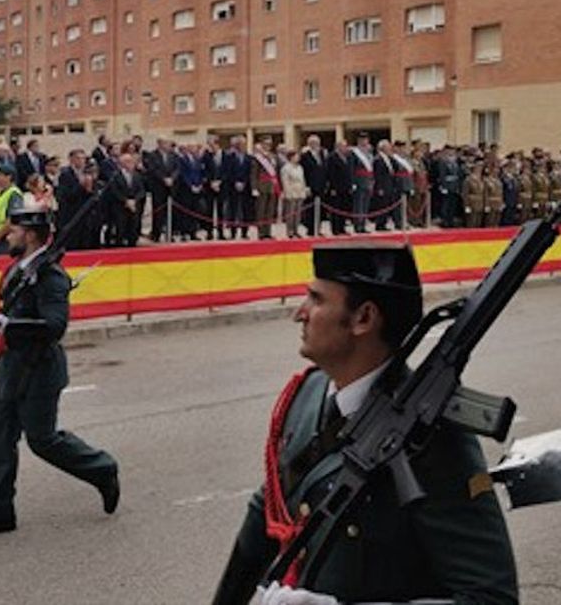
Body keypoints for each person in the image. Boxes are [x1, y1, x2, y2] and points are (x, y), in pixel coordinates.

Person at [212, 243, 517, 604]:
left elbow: (491, 597)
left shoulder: (433, 437)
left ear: (364, 319)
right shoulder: (307, 392)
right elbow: (268, 509)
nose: (300, 313)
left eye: (316, 299)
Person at [0, 207, 120, 538]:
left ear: (30, 235)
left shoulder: (50, 276)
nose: (9, 235)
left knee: (42, 440)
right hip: (11, 365)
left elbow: (55, 326)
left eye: (14, 230)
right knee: (0, 438)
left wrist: (11, 325)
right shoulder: (21, 268)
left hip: (39, 369)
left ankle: (102, 468)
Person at [280, 150, 307, 239]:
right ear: (291, 157)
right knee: (290, 213)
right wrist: (287, 193)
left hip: (299, 192)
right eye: (296, 156)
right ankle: (290, 231)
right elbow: (285, 181)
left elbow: (302, 180)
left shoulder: (300, 167)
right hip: (291, 192)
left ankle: (296, 230)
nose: (298, 158)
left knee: (298, 213)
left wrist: (304, 190)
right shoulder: (286, 168)